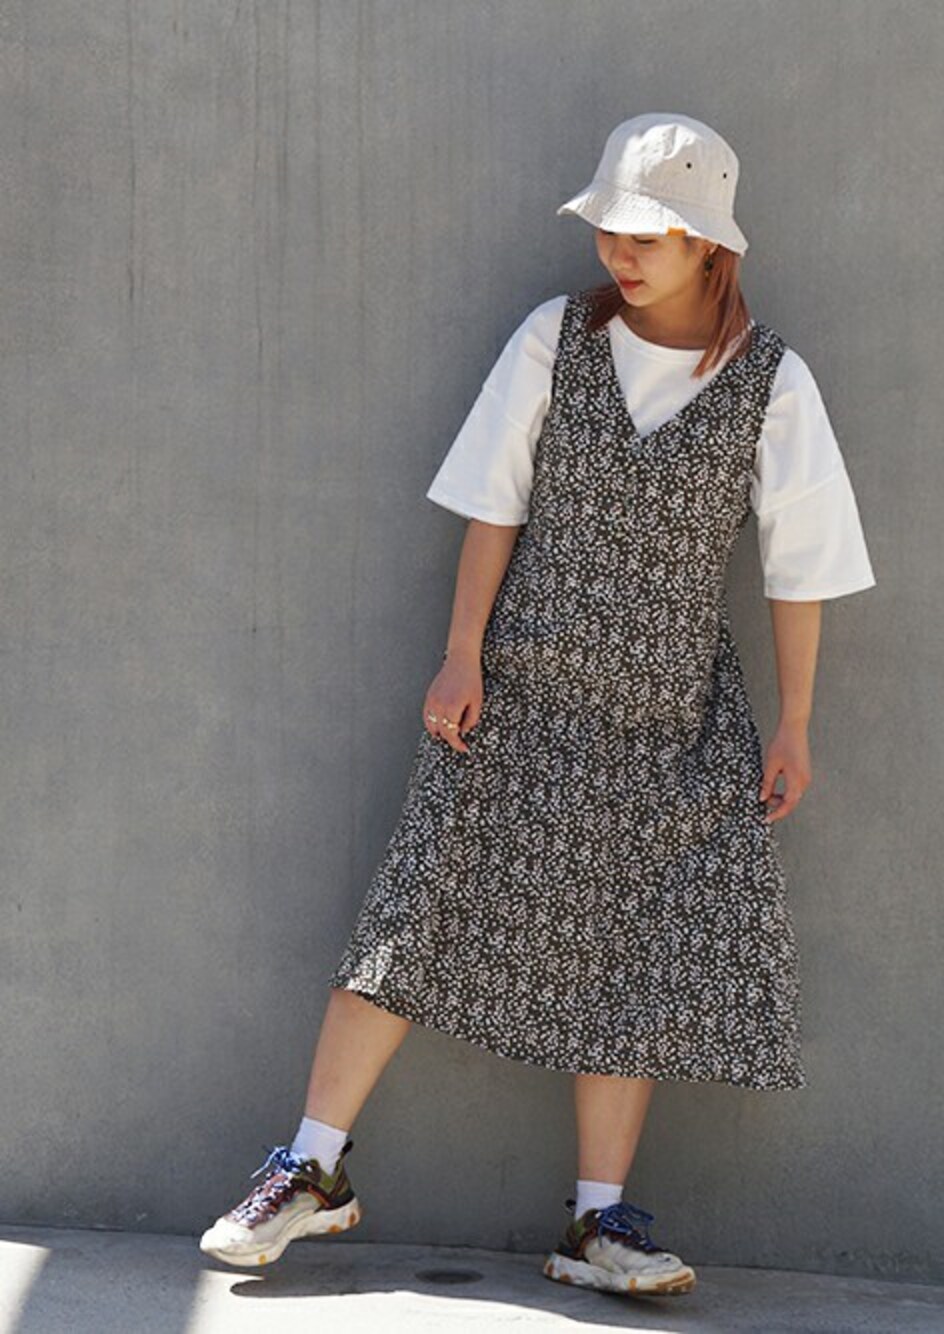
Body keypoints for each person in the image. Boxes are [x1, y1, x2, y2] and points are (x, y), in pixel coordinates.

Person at [200, 112, 876, 1297]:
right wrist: (460, 655)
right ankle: (309, 1166)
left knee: (635, 954)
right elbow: (493, 502)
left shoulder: (775, 382)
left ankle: (597, 1223)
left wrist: (796, 721)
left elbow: (801, 567)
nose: (619, 253)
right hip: (518, 691)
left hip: (671, 719)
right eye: (609, 229)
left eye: (647, 236)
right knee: (413, 910)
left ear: (709, 245)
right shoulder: (553, 338)